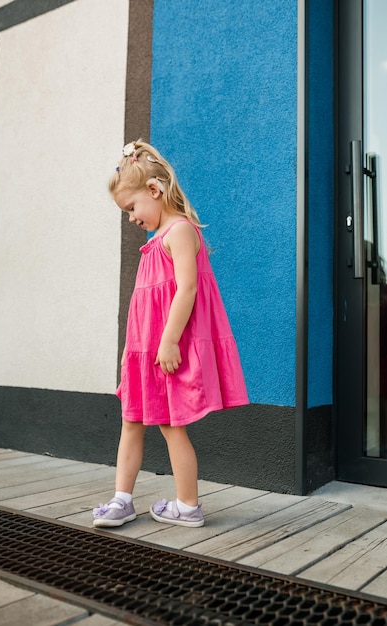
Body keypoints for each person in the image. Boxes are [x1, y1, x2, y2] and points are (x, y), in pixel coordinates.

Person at [93, 140, 249, 529]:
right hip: (143, 350)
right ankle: (121, 500)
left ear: (154, 190)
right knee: (131, 420)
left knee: (170, 424)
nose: (130, 218)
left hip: (164, 348)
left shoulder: (179, 231)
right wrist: (139, 346)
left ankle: (187, 505)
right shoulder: (156, 240)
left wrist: (168, 341)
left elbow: (188, 289)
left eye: (131, 208)